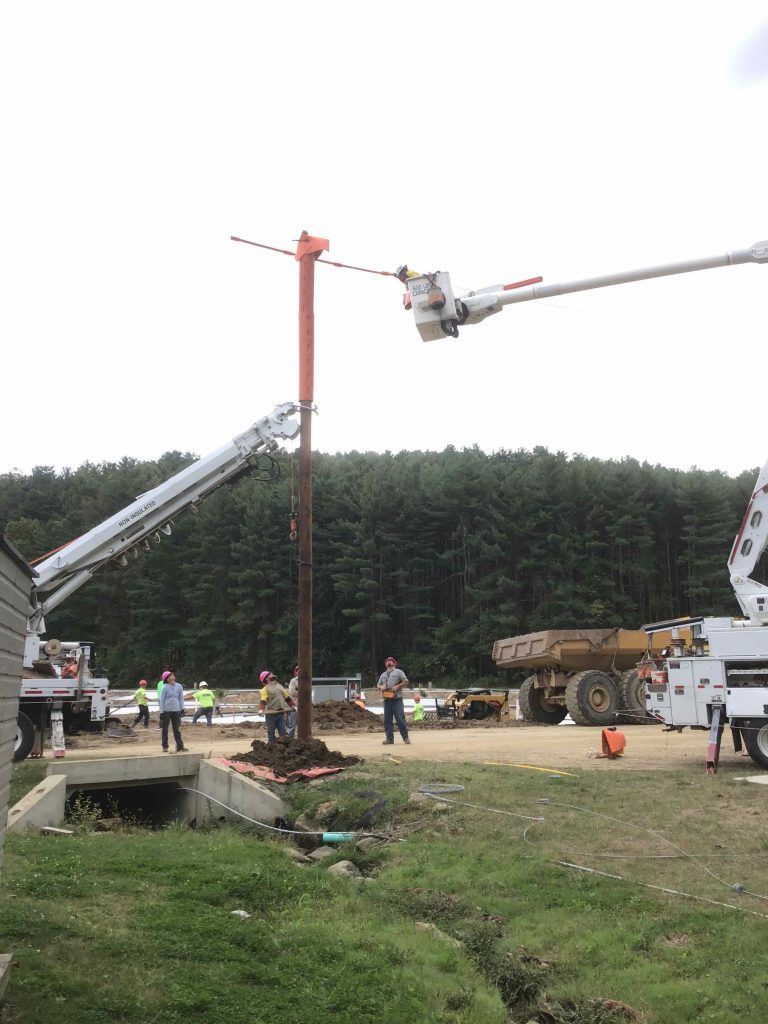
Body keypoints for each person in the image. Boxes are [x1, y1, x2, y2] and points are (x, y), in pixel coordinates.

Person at [377, 656, 410, 745]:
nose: (389, 662)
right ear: (385, 664)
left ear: (394, 663)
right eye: (387, 661)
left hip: (397, 699)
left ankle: (405, 737)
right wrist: (381, 687)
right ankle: (389, 739)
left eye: (390, 661)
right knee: (387, 720)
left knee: (400, 718)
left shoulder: (398, 672)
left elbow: (406, 681)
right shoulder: (383, 674)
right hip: (386, 700)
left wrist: (397, 686)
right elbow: (378, 685)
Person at [259, 670, 294, 744]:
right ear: (266, 679)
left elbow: (287, 697)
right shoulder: (265, 689)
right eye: (270, 674)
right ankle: (271, 747)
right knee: (271, 733)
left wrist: (293, 705)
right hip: (271, 714)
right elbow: (263, 700)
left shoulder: (279, 686)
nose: (272, 675)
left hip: (280, 714)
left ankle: (285, 746)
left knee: (283, 732)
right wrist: (261, 710)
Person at [158, 670, 188, 752]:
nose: (173, 676)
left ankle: (180, 746)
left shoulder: (179, 686)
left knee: (176, 729)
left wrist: (182, 709)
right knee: (165, 729)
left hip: (176, 710)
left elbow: (181, 698)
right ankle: (165, 746)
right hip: (166, 711)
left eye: (173, 674)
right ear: (167, 679)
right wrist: (161, 712)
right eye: (171, 675)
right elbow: (162, 701)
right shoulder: (165, 688)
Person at [286, 665, 299, 737]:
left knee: (303, 724)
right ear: (296, 672)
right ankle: (290, 738)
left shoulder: (306, 680)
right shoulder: (293, 681)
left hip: (304, 707)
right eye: (298, 670)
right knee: (292, 725)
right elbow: (292, 692)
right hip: (295, 705)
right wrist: (302, 692)